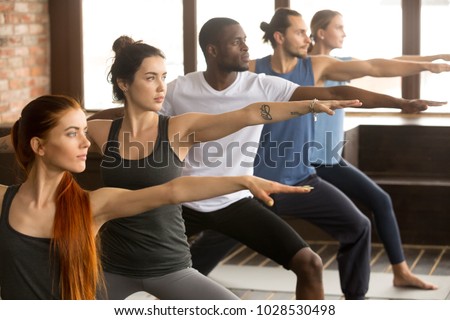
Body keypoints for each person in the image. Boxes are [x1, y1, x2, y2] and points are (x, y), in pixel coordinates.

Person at [162, 16, 446, 300]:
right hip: (211, 194)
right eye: (237, 42)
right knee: (173, 271)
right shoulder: (182, 88)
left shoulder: (263, 84)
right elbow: (141, 121)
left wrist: (400, 102)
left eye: (245, 40)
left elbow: (343, 85)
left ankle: (356, 301)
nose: (245, 47)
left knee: (327, 250)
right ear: (212, 50)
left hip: (260, 191)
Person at [82, 36, 369, 300]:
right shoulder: (98, 132)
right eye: (150, 78)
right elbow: (53, 145)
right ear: (124, 83)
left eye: (163, 77)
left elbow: (251, 113)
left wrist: (311, 105)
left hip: (169, 266)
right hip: (112, 268)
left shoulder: (179, 129)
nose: (161, 87)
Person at [0, 94, 315, 300]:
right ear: (39, 146)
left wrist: (243, 180)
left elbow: (172, 191)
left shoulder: (94, 204)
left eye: (85, 130)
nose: (86, 142)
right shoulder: (3, 201)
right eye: (72, 133)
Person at [306, 9, 440, 289]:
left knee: (380, 201)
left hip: (329, 158)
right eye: (339, 27)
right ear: (320, 32)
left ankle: (400, 271)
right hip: (310, 161)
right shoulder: (310, 67)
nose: (344, 33)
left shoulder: (342, 64)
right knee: (379, 201)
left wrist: (433, 61)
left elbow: (384, 64)